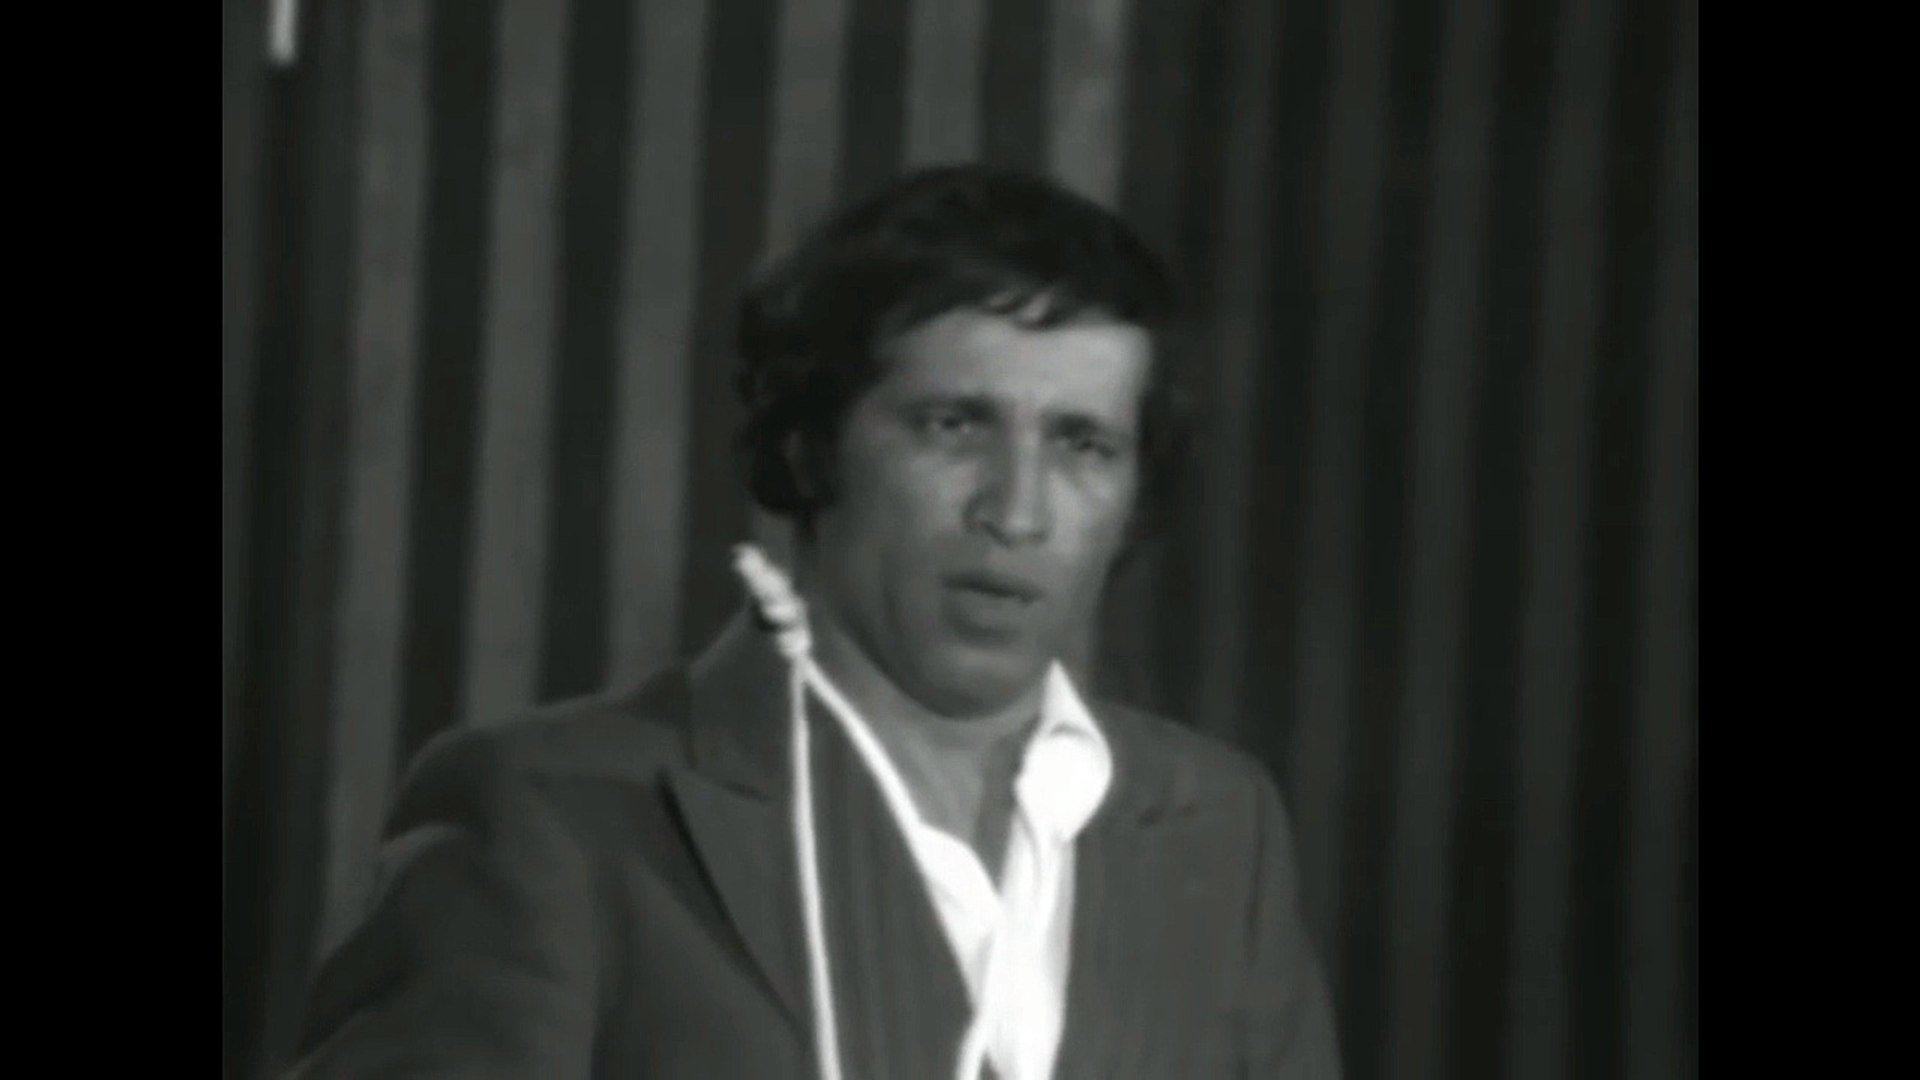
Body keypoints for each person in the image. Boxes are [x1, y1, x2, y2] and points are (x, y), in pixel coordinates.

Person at [286, 164, 1341, 1079]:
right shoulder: (553, 815)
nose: (1017, 510)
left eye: (1082, 445)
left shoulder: (1220, 825)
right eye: (953, 425)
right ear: (812, 445)